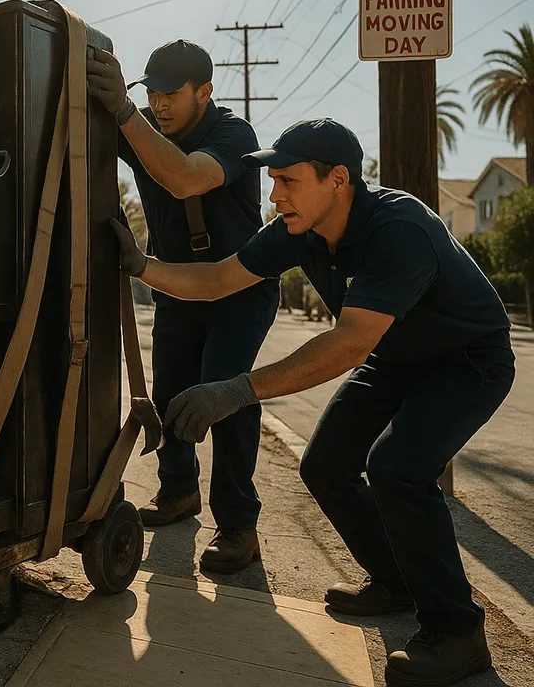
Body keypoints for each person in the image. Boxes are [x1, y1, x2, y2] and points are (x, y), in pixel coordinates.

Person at [109, 117, 514, 686]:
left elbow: (347, 344)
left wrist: (234, 390)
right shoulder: (298, 228)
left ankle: (457, 632)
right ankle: (396, 580)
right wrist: (142, 267)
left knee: (397, 470)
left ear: (339, 180)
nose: (274, 195)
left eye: (288, 181)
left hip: (467, 360)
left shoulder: (399, 229)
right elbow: (221, 278)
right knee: (325, 466)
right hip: (396, 358)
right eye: (272, 181)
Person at [86, 39, 278, 573]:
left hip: (240, 289)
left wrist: (124, 114)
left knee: (223, 391)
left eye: (172, 94)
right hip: (175, 285)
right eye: (151, 93)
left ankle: (239, 524)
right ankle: (177, 492)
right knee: (170, 391)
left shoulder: (233, 134)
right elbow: (87, 133)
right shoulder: (143, 124)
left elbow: (186, 177)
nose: (160, 104)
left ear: (205, 92)